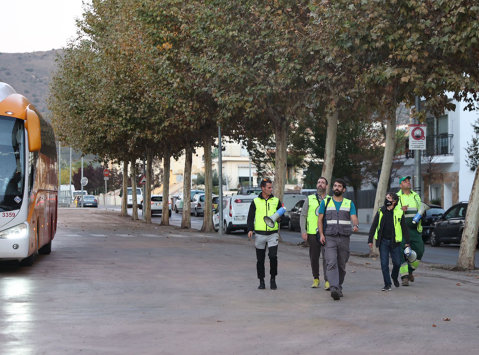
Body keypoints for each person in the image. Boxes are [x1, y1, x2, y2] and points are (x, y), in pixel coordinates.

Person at [318, 178, 359, 300]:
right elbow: (320, 220)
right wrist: (321, 234)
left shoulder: (349, 203)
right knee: (331, 262)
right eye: (335, 186)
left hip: (344, 238)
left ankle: (339, 286)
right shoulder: (325, 202)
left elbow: (354, 217)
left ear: (344, 189)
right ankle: (334, 288)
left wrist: (355, 225)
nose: (336, 188)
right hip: (329, 237)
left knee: (341, 265)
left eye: (339, 186)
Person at [368, 192, 410, 291]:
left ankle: (394, 276)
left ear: (394, 201)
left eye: (389, 198)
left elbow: (404, 228)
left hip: (395, 242)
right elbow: (374, 225)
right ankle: (387, 284)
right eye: (386, 198)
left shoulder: (399, 212)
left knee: (397, 263)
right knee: (384, 264)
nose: (386, 200)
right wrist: (370, 239)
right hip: (383, 242)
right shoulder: (380, 211)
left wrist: (408, 241)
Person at [247, 178, 283, 290]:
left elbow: (282, 217)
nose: (271, 189)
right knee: (260, 259)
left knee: (273, 257)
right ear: (262, 188)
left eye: (271, 187)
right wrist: (250, 229)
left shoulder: (276, 201)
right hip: (260, 234)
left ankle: (273, 279)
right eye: (269, 187)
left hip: (273, 234)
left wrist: (279, 218)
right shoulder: (255, 201)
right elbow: (250, 217)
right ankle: (261, 281)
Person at [300, 176, 330, 290]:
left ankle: (327, 280)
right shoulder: (310, 198)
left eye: (323, 182)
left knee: (327, 257)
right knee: (314, 257)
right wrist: (304, 231)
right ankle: (316, 279)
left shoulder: (330, 199)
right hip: (312, 232)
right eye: (318, 182)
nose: (320, 184)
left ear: (326, 186)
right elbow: (303, 215)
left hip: (326, 232)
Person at [397, 176, 424, 286]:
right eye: (405, 181)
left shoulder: (416, 196)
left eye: (409, 181)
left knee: (419, 251)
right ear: (400, 185)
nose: (408, 182)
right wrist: (400, 209)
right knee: (402, 253)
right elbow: (392, 211)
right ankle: (404, 276)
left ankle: (410, 271)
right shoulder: (397, 196)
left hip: (415, 230)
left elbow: (421, 209)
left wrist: (422, 213)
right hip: (402, 230)